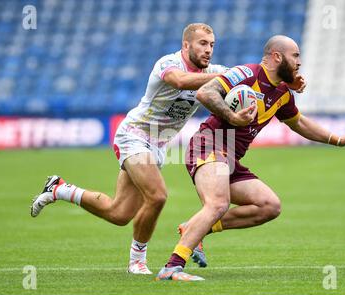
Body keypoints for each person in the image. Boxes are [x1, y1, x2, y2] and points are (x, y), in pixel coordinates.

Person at [30, 23, 258, 275]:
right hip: (133, 136)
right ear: (186, 45)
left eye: (212, 45)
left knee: (118, 213)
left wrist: (286, 82)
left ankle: (60, 189)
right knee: (158, 195)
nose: (209, 50)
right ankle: (137, 262)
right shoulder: (168, 63)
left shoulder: (214, 71)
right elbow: (180, 81)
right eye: (203, 43)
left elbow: (250, 78)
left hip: (157, 146)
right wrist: (223, 79)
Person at [156, 35, 345, 281]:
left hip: (231, 158)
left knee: (269, 206)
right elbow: (205, 92)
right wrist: (233, 117)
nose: (299, 62)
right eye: (295, 55)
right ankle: (171, 267)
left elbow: (298, 122)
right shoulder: (247, 73)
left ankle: (195, 227)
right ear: (277, 56)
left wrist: (336, 139)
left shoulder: (282, 93)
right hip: (209, 144)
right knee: (217, 203)